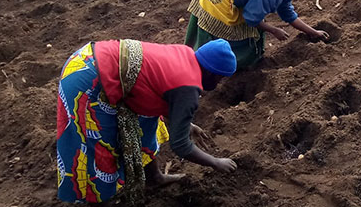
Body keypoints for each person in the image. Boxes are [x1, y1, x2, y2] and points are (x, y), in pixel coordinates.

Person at [56, 38, 238, 203]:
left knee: (147, 122)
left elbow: (159, 87)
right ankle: (100, 199)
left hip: (90, 57)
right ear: (212, 74)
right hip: (88, 79)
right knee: (101, 147)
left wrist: (186, 124)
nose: (219, 83)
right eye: (220, 77)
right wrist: (215, 162)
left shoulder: (185, 54)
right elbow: (181, 145)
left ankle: (154, 178)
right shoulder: (188, 88)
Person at [185, 0, 328, 68]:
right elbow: (250, 18)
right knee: (240, 28)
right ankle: (213, 62)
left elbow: (289, 15)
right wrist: (273, 30)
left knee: (257, 25)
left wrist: (314, 32)